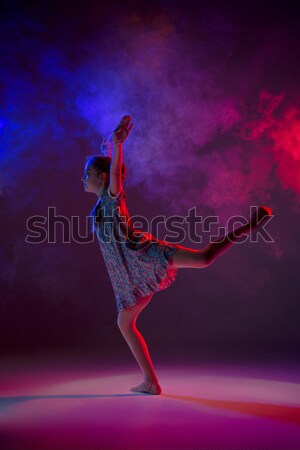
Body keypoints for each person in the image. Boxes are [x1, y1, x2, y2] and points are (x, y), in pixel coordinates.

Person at [81, 115, 273, 395]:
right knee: (125, 323)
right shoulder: (99, 206)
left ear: (100, 178)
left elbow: (115, 178)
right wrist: (109, 152)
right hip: (128, 274)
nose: (82, 179)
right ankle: (150, 382)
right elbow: (113, 174)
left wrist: (117, 149)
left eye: (87, 174)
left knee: (204, 259)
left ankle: (245, 228)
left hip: (145, 255)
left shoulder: (111, 198)